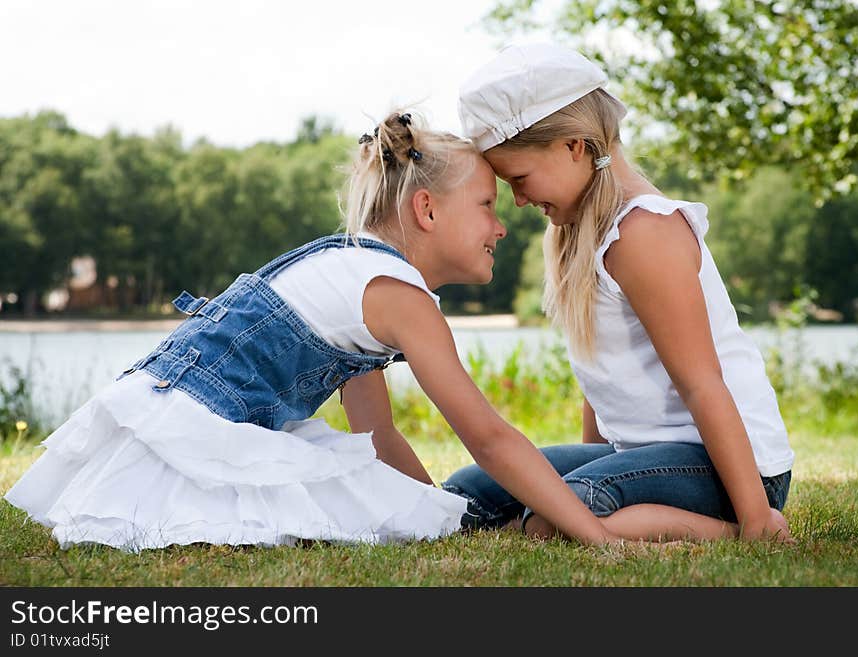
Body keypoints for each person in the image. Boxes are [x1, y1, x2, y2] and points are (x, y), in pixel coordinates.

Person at [6, 110, 674, 552]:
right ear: (426, 210)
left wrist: (437, 516)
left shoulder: (354, 269)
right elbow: (491, 437)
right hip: (190, 432)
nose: (501, 225)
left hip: (163, 407)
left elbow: (377, 436)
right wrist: (597, 537)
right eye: (486, 206)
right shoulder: (398, 293)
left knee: (360, 492)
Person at [445, 43, 795, 543]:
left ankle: (736, 530)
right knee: (470, 493)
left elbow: (704, 383)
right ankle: (588, 506)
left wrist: (756, 511)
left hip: (733, 467)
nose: (519, 200)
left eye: (520, 179)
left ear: (574, 146)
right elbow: (602, 371)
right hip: (648, 457)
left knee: (563, 512)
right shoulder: (574, 232)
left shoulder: (644, 233)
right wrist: (596, 461)